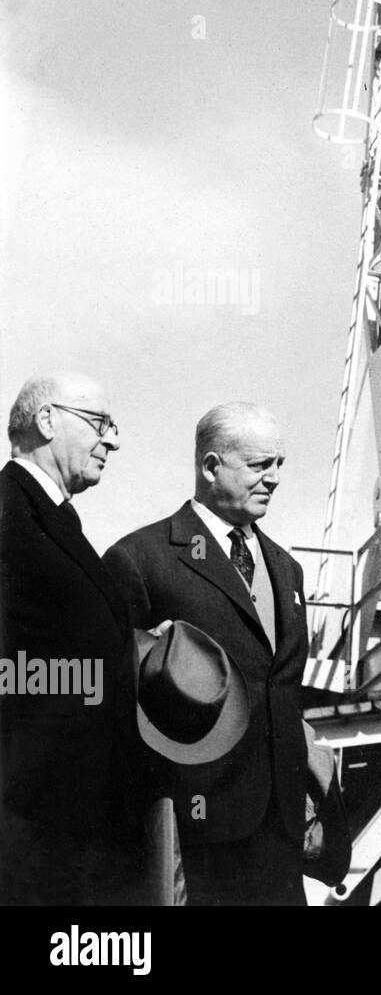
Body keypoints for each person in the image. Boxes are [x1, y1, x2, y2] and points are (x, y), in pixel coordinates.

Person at [104, 402, 310, 905]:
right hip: (191, 836)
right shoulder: (139, 559)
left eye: (280, 464)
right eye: (260, 465)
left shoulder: (288, 570)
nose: (275, 479)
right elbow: (104, 708)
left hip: (280, 835)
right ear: (211, 466)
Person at [0, 371, 147, 904]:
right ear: (46, 421)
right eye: (99, 423)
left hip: (72, 823)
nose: (113, 439)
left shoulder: (54, 520)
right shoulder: (10, 514)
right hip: (34, 828)